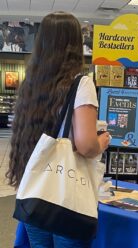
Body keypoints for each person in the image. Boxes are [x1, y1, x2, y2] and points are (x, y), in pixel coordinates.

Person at [5, 12, 110, 248]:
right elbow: (85, 145)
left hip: (36, 195)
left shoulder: (31, 84)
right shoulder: (80, 83)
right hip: (66, 200)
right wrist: (102, 141)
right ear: (74, 44)